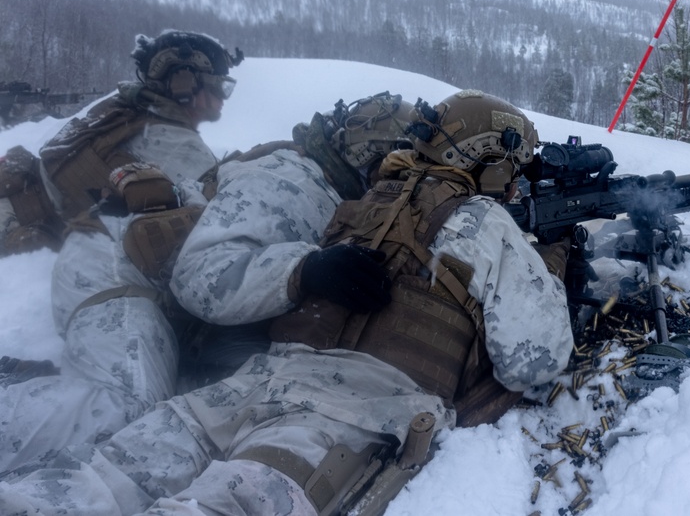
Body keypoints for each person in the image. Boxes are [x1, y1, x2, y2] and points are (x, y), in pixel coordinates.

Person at [0, 89, 574, 516]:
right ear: (490, 163)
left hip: (246, 388)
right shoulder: (486, 222)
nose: (514, 187)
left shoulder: (352, 207)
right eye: (512, 173)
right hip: (350, 414)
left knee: (91, 483)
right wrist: (550, 270)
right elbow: (534, 363)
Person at [0, 90, 414, 476]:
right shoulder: (296, 182)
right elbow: (201, 275)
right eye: (393, 166)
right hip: (113, 268)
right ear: (367, 157)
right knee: (127, 409)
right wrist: (305, 269)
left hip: (150, 281)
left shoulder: (325, 188)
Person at [0, 30, 241, 257]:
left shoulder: (124, 107)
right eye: (220, 86)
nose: (224, 98)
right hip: (17, 231)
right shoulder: (175, 142)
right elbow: (229, 213)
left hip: (16, 202)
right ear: (185, 83)